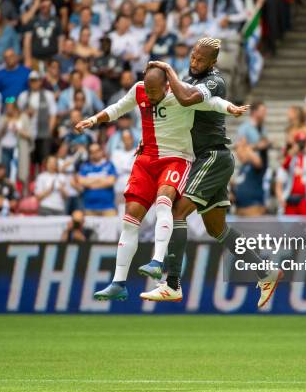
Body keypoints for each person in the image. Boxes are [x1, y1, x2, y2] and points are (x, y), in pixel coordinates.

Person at [74, 63, 246, 302]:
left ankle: (157, 261)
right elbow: (118, 108)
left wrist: (231, 108)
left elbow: (212, 103)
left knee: (165, 204)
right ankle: (118, 283)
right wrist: (92, 120)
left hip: (175, 159)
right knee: (130, 221)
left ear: (166, 85)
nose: (151, 97)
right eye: (149, 91)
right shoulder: (139, 90)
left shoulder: (182, 93)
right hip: (145, 162)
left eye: (155, 93)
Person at [141, 38, 280, 307]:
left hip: (212, 156)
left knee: (177, 211)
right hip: (203, 159)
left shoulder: (215, 82)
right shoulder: (187, 76)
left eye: (200, 60)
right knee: (218, 229)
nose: (194, 62)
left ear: (213, 63)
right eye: (193, 57)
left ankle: (172, 284)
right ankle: (266, 272)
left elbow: (186, 99)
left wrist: (168, 71)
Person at [17, 71, 57, 174]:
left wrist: (49, 131)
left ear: (40, 81)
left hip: (43, 133)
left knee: (43, 160)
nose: (34, 83)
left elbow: (53, 114)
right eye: (32, 81)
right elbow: (18, 115)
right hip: (28, 134)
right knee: (30, 162)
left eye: (36, 80)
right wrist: (27, 113)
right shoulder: (23, 96)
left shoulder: (48, 95)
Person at [276, 131, 306, 215]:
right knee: (289, 227)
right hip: (291, 198)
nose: (301, 145)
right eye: (299, 142)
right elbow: (284, 167)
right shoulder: (290, 157)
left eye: (303, 143)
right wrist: (292, 153)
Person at [75, 143, 118, 216]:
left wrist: (90, 183)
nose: (94, 153)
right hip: (89, 208)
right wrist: (102, 180)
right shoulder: (84, 166)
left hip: (108, 208)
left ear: (101, 151)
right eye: (92, 152)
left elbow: (111, 181)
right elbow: (81, 182)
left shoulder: (109, 165)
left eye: (97, 151)